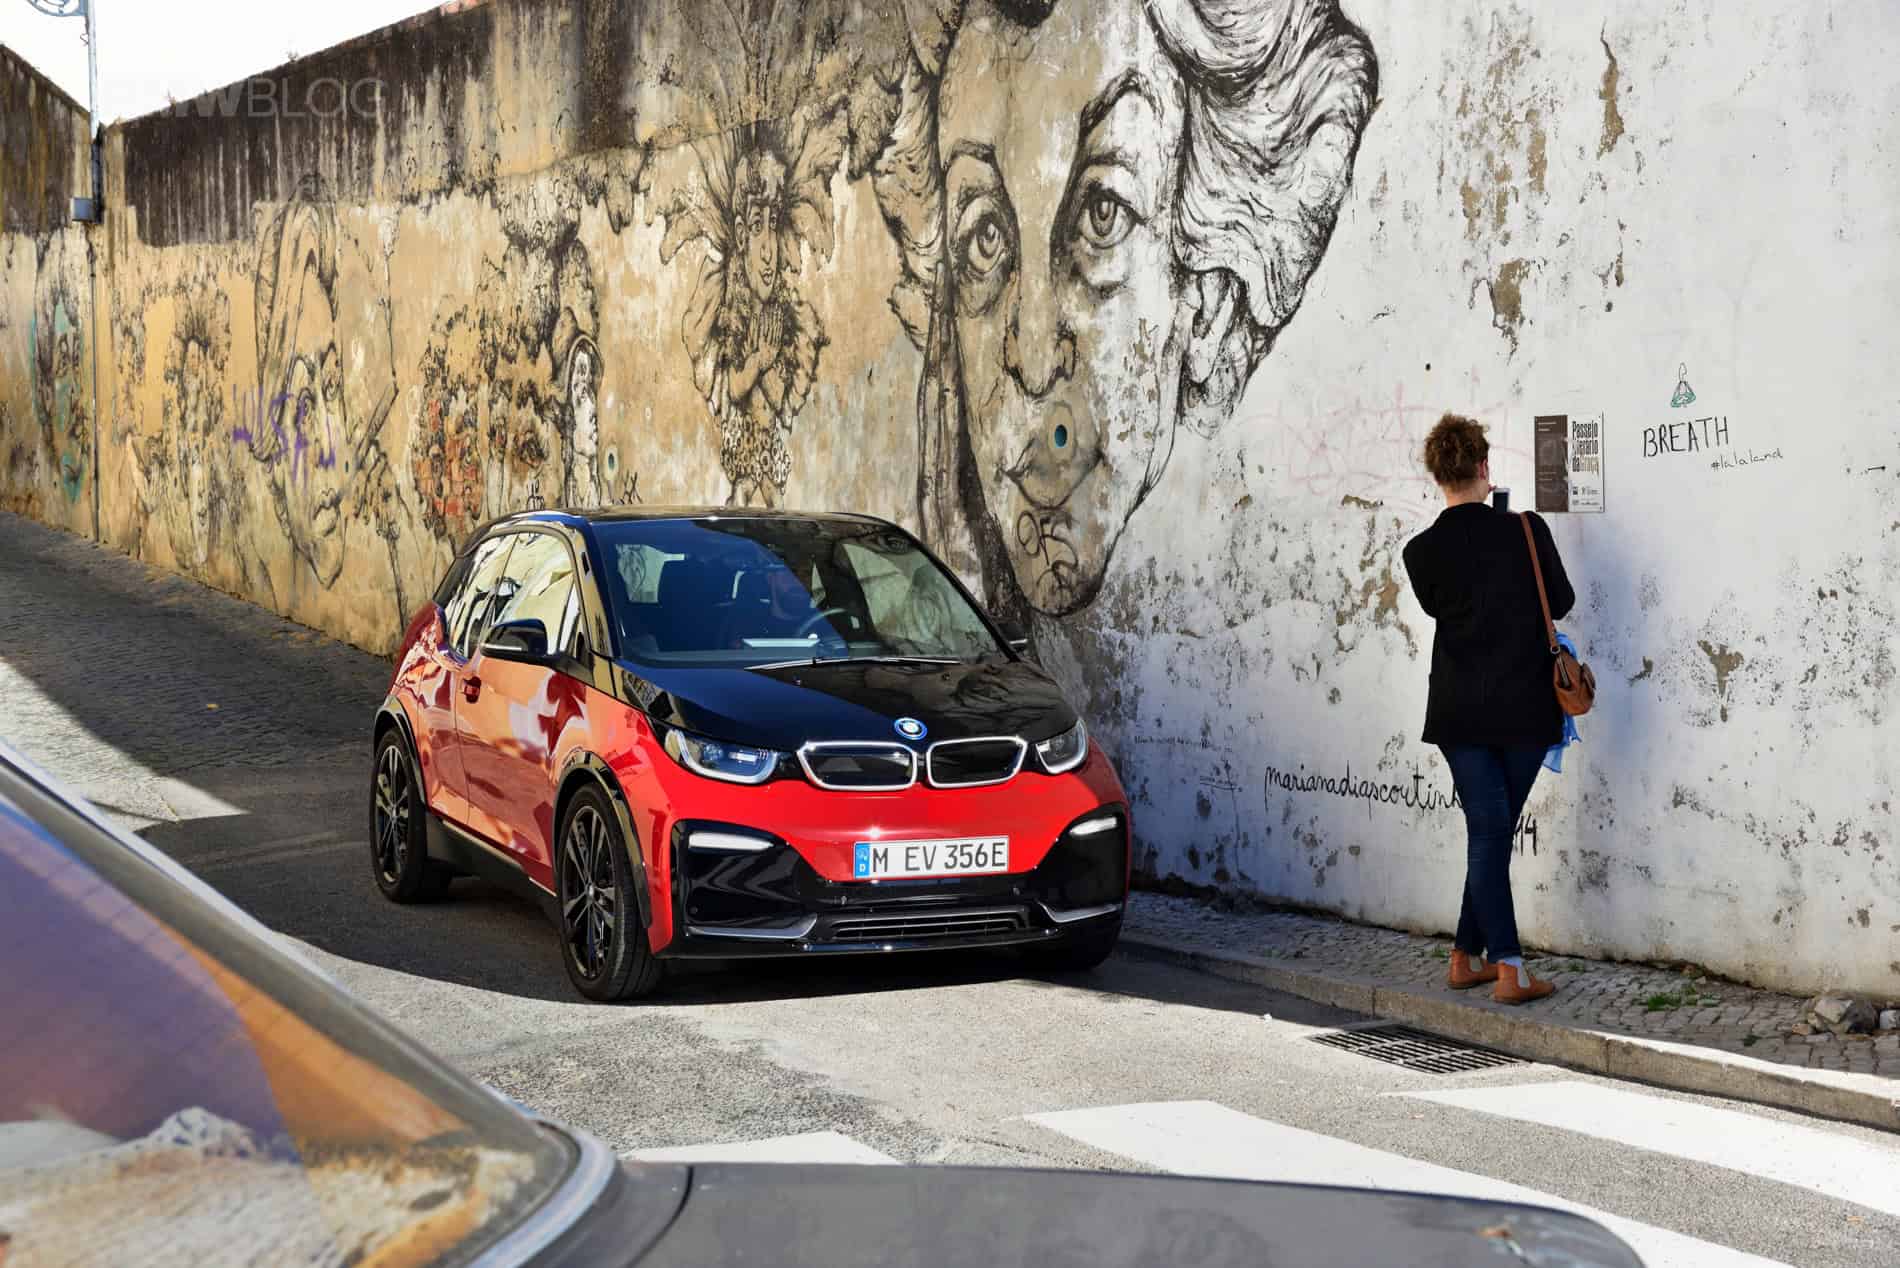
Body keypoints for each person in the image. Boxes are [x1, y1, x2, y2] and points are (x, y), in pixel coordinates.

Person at [1401, 414, 1575, 1005]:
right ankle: (1510, 968)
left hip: (1459, 714)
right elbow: (1563, 601)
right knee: (1492, 833)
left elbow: (1443, 607)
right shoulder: (1525, 530)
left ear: (1438, 477)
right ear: (1483, 466)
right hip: (1524, 711)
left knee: (1489, 833)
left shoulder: (1420, 552)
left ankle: (1464, 956)